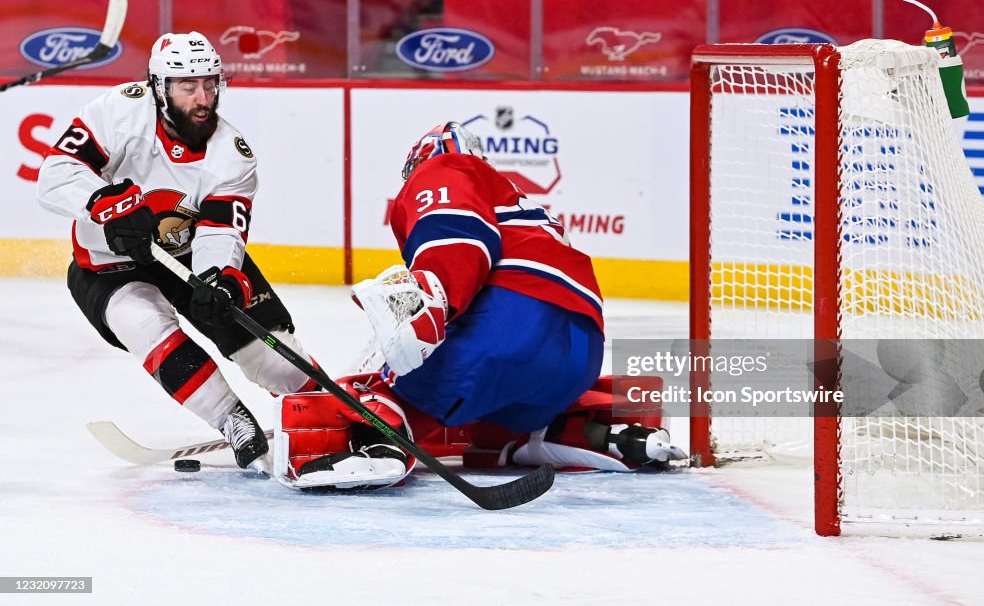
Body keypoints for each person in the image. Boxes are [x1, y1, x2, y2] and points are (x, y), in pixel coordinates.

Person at [273, 121, 684, 490]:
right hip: (579, 356)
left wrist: (436, 300)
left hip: (512, 325)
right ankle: (594, 436)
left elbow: (457, 233)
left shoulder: (446, 167)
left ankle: (378, 444)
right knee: (483, 419)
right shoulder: (520, 207)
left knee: (402, 389)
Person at [37, 31, 319, 471]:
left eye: (209, 84)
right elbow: (55, 174)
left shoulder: (232, 156)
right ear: (158, 88)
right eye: (188, 87)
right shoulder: (117, 111)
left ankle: (330, 408)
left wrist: (217, 277)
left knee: (272, 358)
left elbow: (221, 229)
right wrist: (103, 203)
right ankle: (232, 419)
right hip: (108, 267)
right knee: (145, 323)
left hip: (187, 257)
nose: (202, 97)